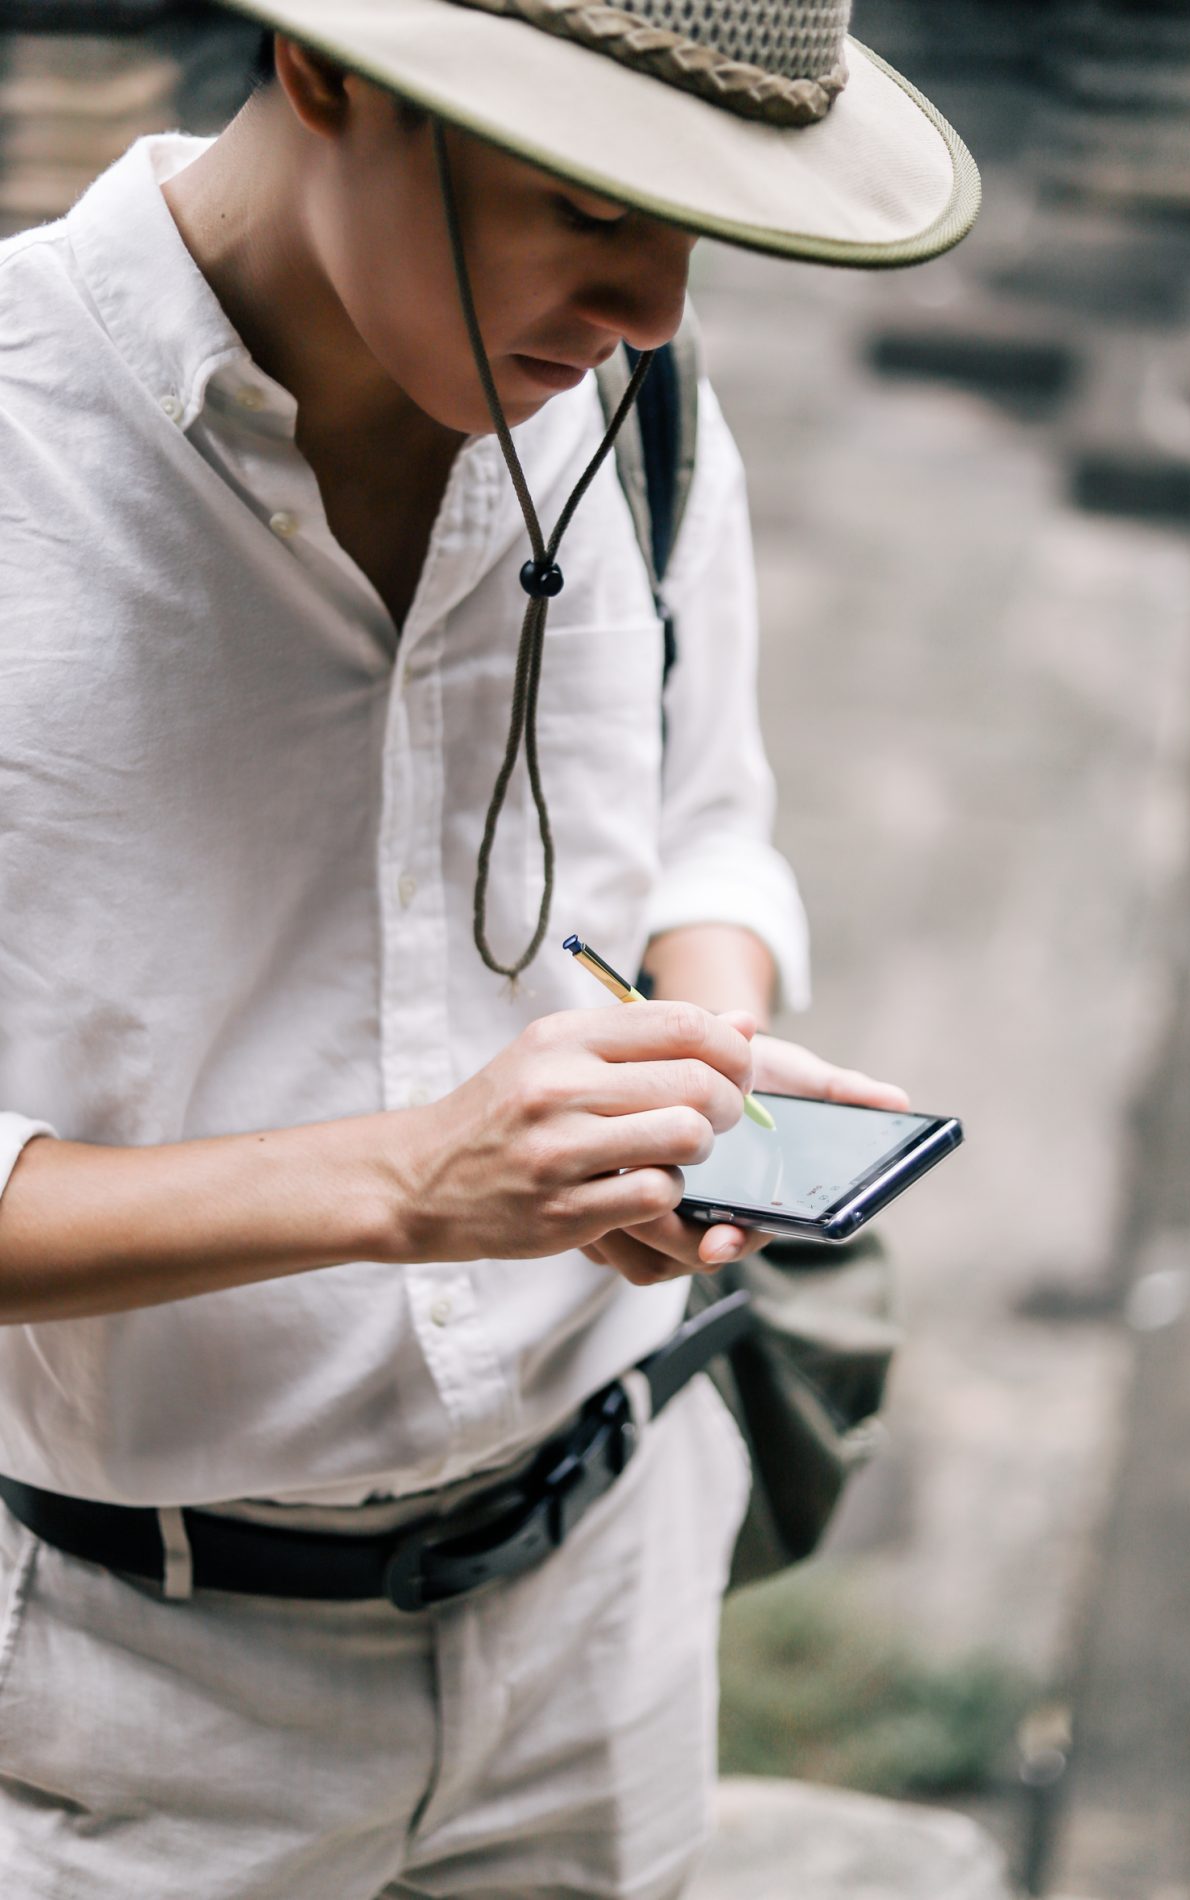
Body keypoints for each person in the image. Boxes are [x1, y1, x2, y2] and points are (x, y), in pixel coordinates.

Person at [0, 2, 978, 1894]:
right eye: (590, 201)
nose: (658, 304)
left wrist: (701, 1079)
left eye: (707, 223)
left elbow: (705, 826)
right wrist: (412, 1181)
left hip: (606, 1601)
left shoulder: (637, 415)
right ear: (327, 71)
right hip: (136, 1699)